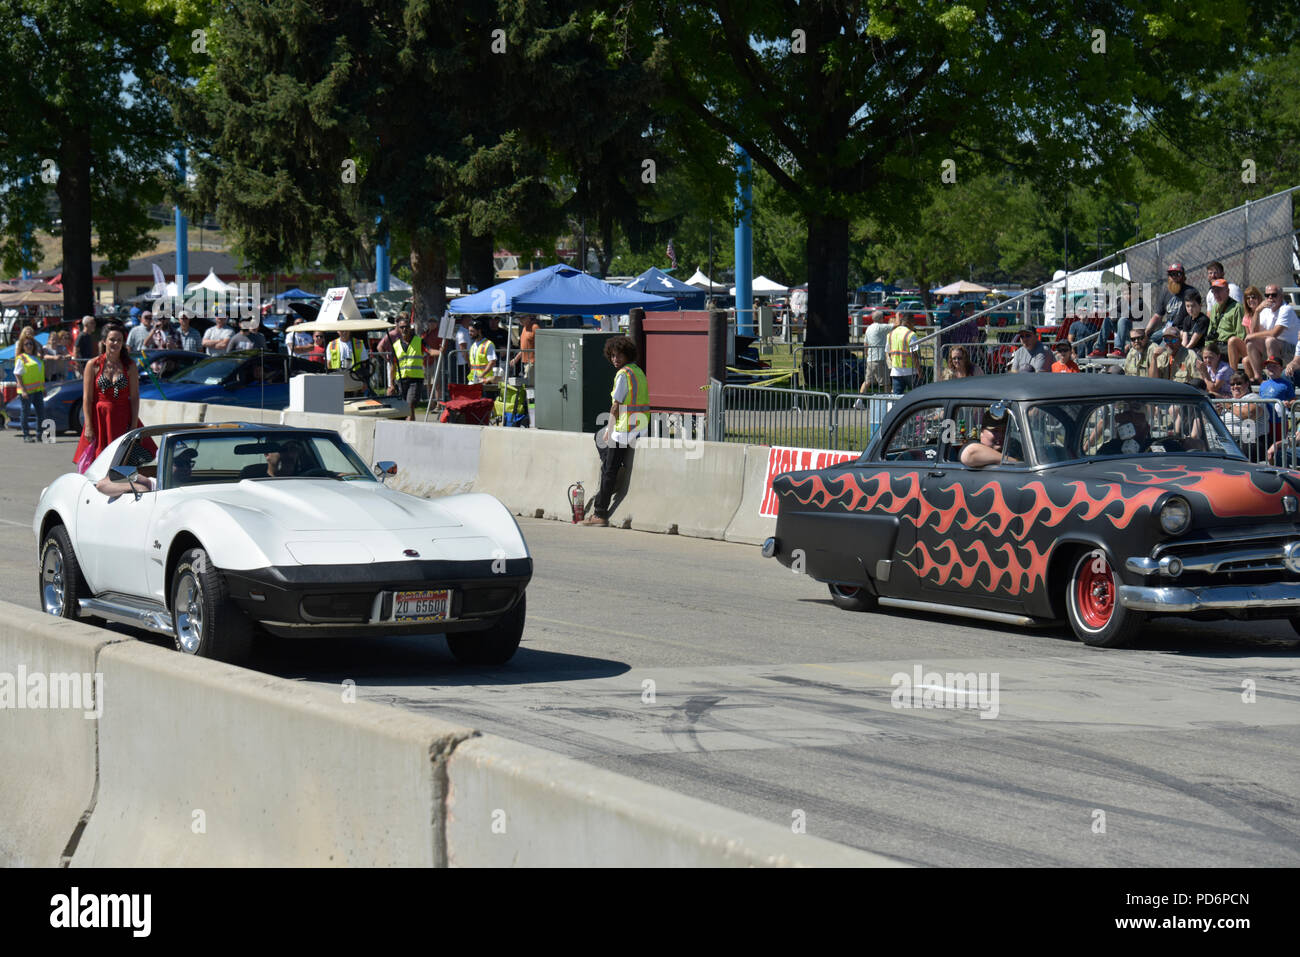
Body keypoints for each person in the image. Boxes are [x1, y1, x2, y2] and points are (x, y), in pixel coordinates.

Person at [583, 336, 648, 526]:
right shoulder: (638, 372)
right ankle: (613, 465)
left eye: (618, 355)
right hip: (639, 427)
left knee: (608, 470)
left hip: (623, 428)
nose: (615, 359)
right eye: (612, 355)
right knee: (600, 442)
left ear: (627, 354)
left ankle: (599, 513)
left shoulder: (623, 374)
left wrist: (609, 430)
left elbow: (615, 406)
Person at [73, 321, 153, 467]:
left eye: (119, 340)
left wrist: (134, 423)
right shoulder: (93, 365)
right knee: (98, 462)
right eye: (112, 339)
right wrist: (89, 425)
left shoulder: (130, 365)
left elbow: (134, 397)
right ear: (104, 341)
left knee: (122, 460)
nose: (115, 343)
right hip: (100, 419)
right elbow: (87, 398)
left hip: (122, 418)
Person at [1245, 284, 1296, 383]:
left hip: (1291, 351)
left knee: (1270, 340)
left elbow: (1275, 333)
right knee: (1251, 342)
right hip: (1273, 349)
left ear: (1281, 296)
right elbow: (1254, 332)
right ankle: (1258, 378)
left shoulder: (1286, 309)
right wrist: (1257, 311)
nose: (1270, 298)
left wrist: (1251, 335)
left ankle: (1275, 379)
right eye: (1267, 295)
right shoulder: (1265, 310)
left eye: (1274, 295)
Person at [1148, 263, 1199, 345]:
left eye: (1177, 274)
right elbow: (1157, 316)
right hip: (1167, 328)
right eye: (1171, 274)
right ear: (1168, 277)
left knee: (1162, 348)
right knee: (1146, 341)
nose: (1174, 277)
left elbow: (1196, 315)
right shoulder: (1165, 292)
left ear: (1183, 276)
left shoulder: (1191, 292)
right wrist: (1146, 331)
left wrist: (1186, 331)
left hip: (1183, 330)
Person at [1220, 373, 1267, 460]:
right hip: (1229, 442)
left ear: (1247, 384)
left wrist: (1230, 407)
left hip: (1250, 442)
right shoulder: (1229, 401)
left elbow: (1250, 414)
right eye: (1232, 384)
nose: (1235, 386)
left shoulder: (1253, 397)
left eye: (1238, 383)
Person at [386, 319, 424, 421]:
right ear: (398, 329)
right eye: (402, 327)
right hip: (401, 381)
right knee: (403, 408)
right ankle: (408, 428)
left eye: (406, 327)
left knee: (409, 405)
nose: (404, 329)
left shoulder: (419, 341)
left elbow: (430, 351)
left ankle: (410, 430)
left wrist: (440, 351)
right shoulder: (396, 345)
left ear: (410, 328)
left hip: (415, 379)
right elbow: (393, 366)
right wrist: (392, 384)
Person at [1206, 279, 1245, 370]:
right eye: (1214, 292)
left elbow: (1241, 335)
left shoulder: (1237, 308)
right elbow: (1210, 333)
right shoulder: (1215, 308)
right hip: (1216, 346)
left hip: (1229, 347)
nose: (1216, 294)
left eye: (1219, 291)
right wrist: (1207, 349)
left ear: (1227, 291)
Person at [14, 334, 46, 443]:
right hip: (26, 391)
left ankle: (39, 434)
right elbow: (17, 374)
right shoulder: (21, 358)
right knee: (25, 413)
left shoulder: (36, 358)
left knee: (41, 413)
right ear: (22, 346)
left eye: (31, 343)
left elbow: (39, 374)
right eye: (26, 344)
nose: (29, 346)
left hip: (38, 390)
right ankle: (26, 435)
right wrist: (23, 390)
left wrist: (43, 388)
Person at [885, 312, 920, 392]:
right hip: (911, 371)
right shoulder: (911, 334)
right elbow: (914, 354)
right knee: (916, 396)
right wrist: (919, 370)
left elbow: (889, 353)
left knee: (896, 398)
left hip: (896, 372)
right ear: (908, 322)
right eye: (913, 322)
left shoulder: (890, 334)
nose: (914, 325)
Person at [860, 313, 892, 393]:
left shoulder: (869, 328)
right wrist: (898, 314)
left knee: (867, 382)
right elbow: (897, 325)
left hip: (870, 359)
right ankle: (888, 403)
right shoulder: (880, 327)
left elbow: (865, 344)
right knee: (886, 383)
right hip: (879, 359)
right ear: (881, 318)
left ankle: (858, 401)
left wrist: (867, 355)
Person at [467, 319, 497, 385]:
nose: (469, 333)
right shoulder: (473, 346)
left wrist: (481, 375)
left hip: (485, 380)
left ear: (479, 331)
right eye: (469, 331)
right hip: (473, 379)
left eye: (472, 331)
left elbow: (492, 362)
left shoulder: (488, 344)